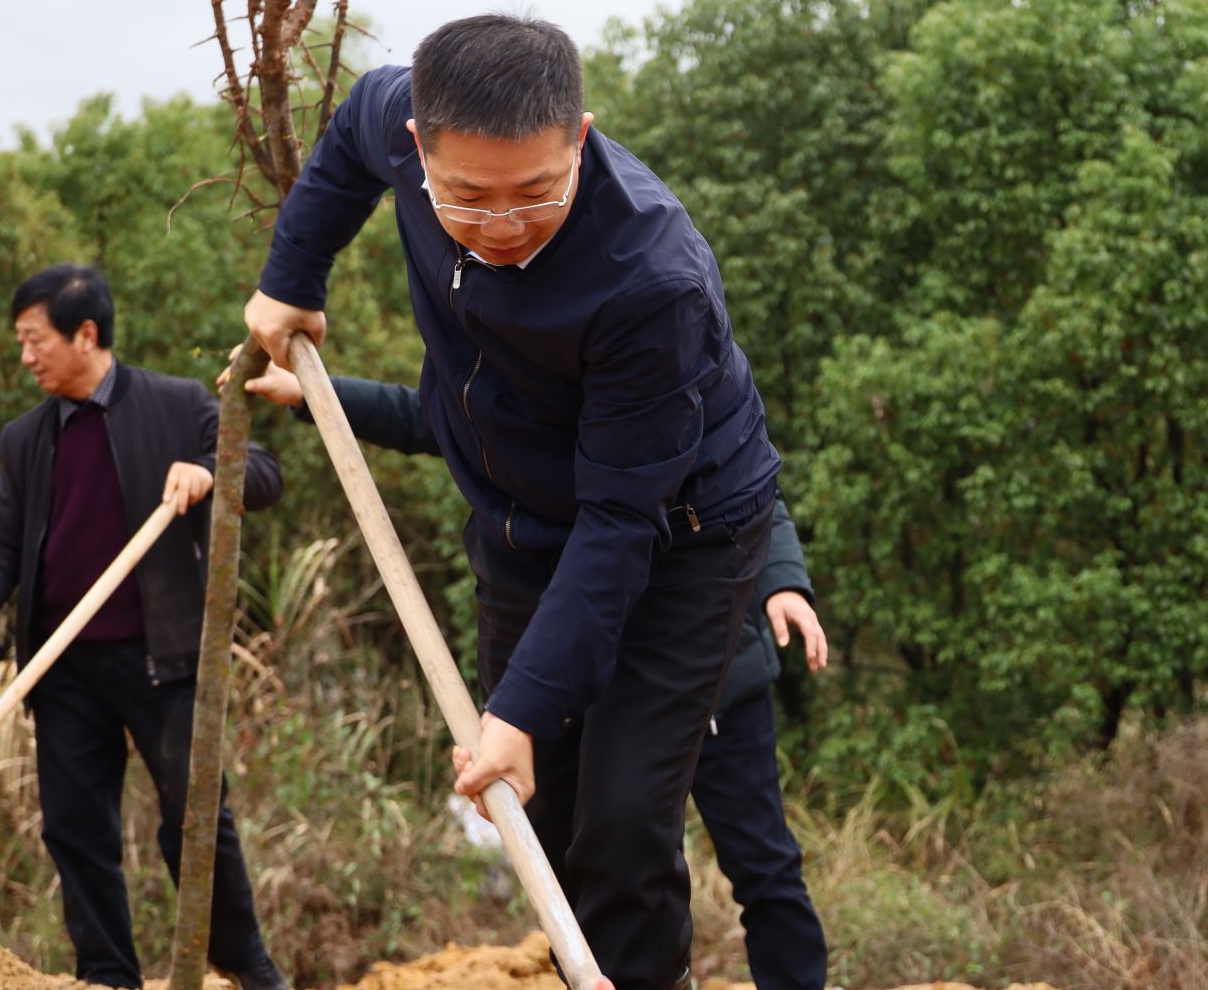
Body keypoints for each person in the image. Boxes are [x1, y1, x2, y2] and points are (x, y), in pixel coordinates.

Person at [241, 14, 782, 990]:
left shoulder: (651, 280)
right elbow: (341, 148)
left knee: (621, 821)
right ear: (420, 147)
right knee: (550, 814)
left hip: (681, 535)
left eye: (536, 190)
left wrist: (521, 709)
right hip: (519, 519)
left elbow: (622, 521)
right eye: (465, 196)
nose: (503, 224)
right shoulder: (390, 119)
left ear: (581, 135)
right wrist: (291, 279)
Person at [239, 367, 833, 990]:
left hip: (712, 666)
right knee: (597, 856)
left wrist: (783, 581)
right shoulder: (528, 382)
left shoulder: (658, 343)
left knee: (762, 861)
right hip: (592, 671)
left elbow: (741, 475)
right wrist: (318, 391)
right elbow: (434, 417)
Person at [0, 265, 288, 990]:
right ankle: (107, 977)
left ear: (87, 334)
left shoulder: (175, 404)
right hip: (64, 666)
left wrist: (209, 471)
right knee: (76, 829)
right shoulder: (26, 439)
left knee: (195, 823)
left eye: (34, 340)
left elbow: (263, 473)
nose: (26, 357)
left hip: (162, 658)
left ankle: (246, 968)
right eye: (21, 342)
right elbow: (2, 534)